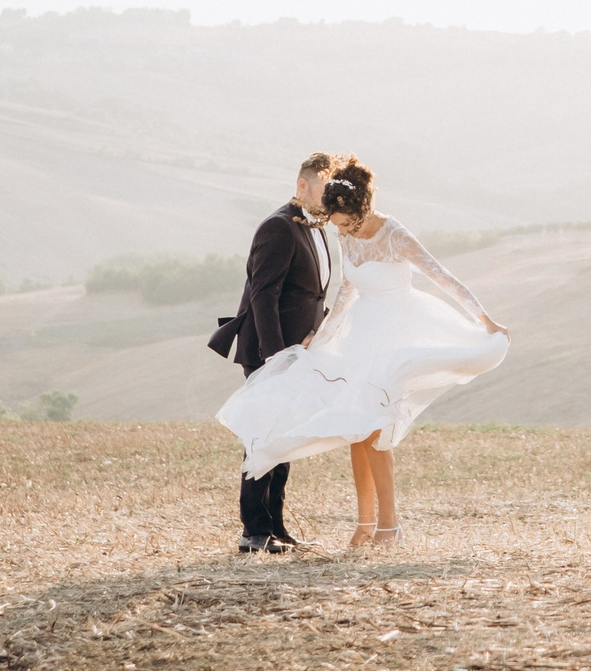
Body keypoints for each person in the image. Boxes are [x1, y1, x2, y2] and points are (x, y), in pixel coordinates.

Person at [216, 155, 510, 547]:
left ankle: (388, 527)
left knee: (374, 430)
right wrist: (316, 340)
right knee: (354, 428)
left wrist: (486, 320)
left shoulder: (395, 235)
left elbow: (443, 277)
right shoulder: (338, 232)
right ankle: (353, 525)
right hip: (358, 337)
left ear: (358, 210)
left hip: (394, 334)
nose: (335, 228)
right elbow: (342, 292)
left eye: (340, 221)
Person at [207, 151, 336, 553]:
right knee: (263, 437)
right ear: (303, 186)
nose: (330, 198)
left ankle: (275, 526)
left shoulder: (316, 228)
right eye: (324, 189)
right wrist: (276, 358)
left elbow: (312, 294)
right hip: (271, 351)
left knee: (282, 438)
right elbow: (263, 296)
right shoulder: (278, 228)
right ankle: (254, 532)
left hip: (299, 352)